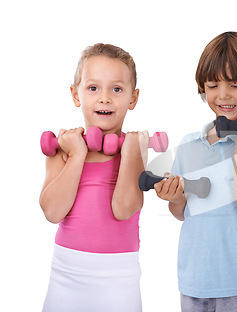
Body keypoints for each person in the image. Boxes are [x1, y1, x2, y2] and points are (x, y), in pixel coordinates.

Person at [154, 31, 237, 312]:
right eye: (212, 85)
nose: (222, 95)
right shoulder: (189, 144)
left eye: (235, 84)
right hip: (194, 283)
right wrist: (175, 198)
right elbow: (183, 211)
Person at [40, 43, 149, 312]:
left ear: (133, 98)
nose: (104, 98)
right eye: (93, 88)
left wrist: (131, 154)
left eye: (116, 89)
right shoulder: (63, 147)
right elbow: (52, 212)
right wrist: (77, 156)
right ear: (75, 95)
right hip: (67, 273)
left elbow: (124, 209)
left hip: (119, 277)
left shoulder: (135, 147)